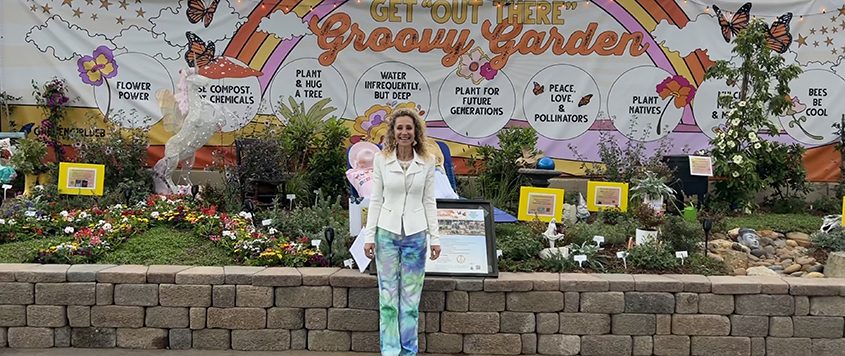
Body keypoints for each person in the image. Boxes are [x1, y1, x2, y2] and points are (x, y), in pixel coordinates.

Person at [362, 108, 441, 356]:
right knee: (388, 300)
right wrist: (368, 236)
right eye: (400, 128)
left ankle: (409, 351)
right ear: (393, 133)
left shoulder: (427, 162)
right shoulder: (381, 160)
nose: (404, 132)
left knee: (410, 302)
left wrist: (435, 238)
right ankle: (390, 351)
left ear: (416, 132)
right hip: (386, 234)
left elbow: (430, 201)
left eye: (409, 128)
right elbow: (375, 200)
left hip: (416, 236)